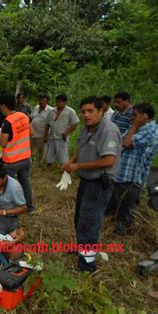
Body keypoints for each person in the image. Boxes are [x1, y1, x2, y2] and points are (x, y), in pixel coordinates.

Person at [62, 96, 122, 272]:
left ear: (101, 111)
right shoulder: (87, 128)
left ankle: (87, 265)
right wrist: (70, 162)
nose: (86, 115)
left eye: (91, 111)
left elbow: (109, 160)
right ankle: (82, 248)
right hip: (86, 180)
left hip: (99, 182)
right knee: (80, 218)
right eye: (83, 112)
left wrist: (77, 165)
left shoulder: (108, 130)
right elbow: (80, 148)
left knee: (89, 222)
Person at [106, 103, 158, 235]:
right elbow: (120, 140)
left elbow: (127, 143)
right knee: (115, 203)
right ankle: (111, 227)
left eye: (135, 115)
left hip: (132, 176)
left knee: (127, 208)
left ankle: (123, 233)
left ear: (144, 116)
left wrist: (134, 126)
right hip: (122, 173)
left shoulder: (150, 131)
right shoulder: (138, 127)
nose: (132, 118)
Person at [0, 93, 35, 214]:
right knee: (25, 182)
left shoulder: (7, 122)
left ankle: (10, 209)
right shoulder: (23, 116)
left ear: (4, 106)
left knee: (8, 185)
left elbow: (3, 143)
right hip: (26, 157)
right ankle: (30, 207)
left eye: (0, 106)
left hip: (12, 161)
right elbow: (32, 132)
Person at [44, 94, 79, 166]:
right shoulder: (52, 111)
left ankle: (63, 170)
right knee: (49, 157)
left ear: (65, 102)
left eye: (59, 102)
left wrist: (67, 132)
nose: (57, 104)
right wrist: (45, 135)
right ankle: (48, 170)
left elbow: (74, 123)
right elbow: (47, 124)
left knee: (63, 157)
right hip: (52, 137)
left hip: (62, 137)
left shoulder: (70, 111)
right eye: (56, 102)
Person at [31, 94, 54, 162]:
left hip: (42, 135)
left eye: (44, 100)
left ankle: (39, 164)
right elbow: (32, 117)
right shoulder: (36, 107)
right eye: (40, 100)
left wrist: (46, 135)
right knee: (31, 151)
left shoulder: (51, 110)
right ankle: (32, 163)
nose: (41, 102)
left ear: (47, 102)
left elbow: (51, 123)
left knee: (41, 151)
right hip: (32, 133)